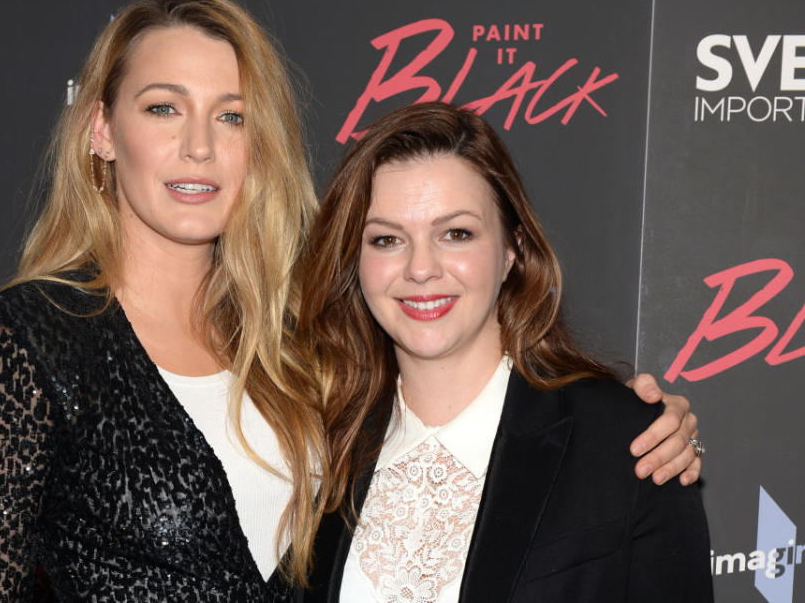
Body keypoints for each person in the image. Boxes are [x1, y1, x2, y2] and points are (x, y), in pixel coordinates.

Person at [0, 0, 701, 603]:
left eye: (229, 116)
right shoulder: (30, 338)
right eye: (162, 107)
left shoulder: (302, 344)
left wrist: (636, 424)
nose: (198, 145)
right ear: (102, 130)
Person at [298, 102, 711, 602]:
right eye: (386, 239)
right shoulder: (312, 439)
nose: (421, 268)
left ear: (512, 249)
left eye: (456, 234)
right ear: (353, 261)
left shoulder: (631, 442)